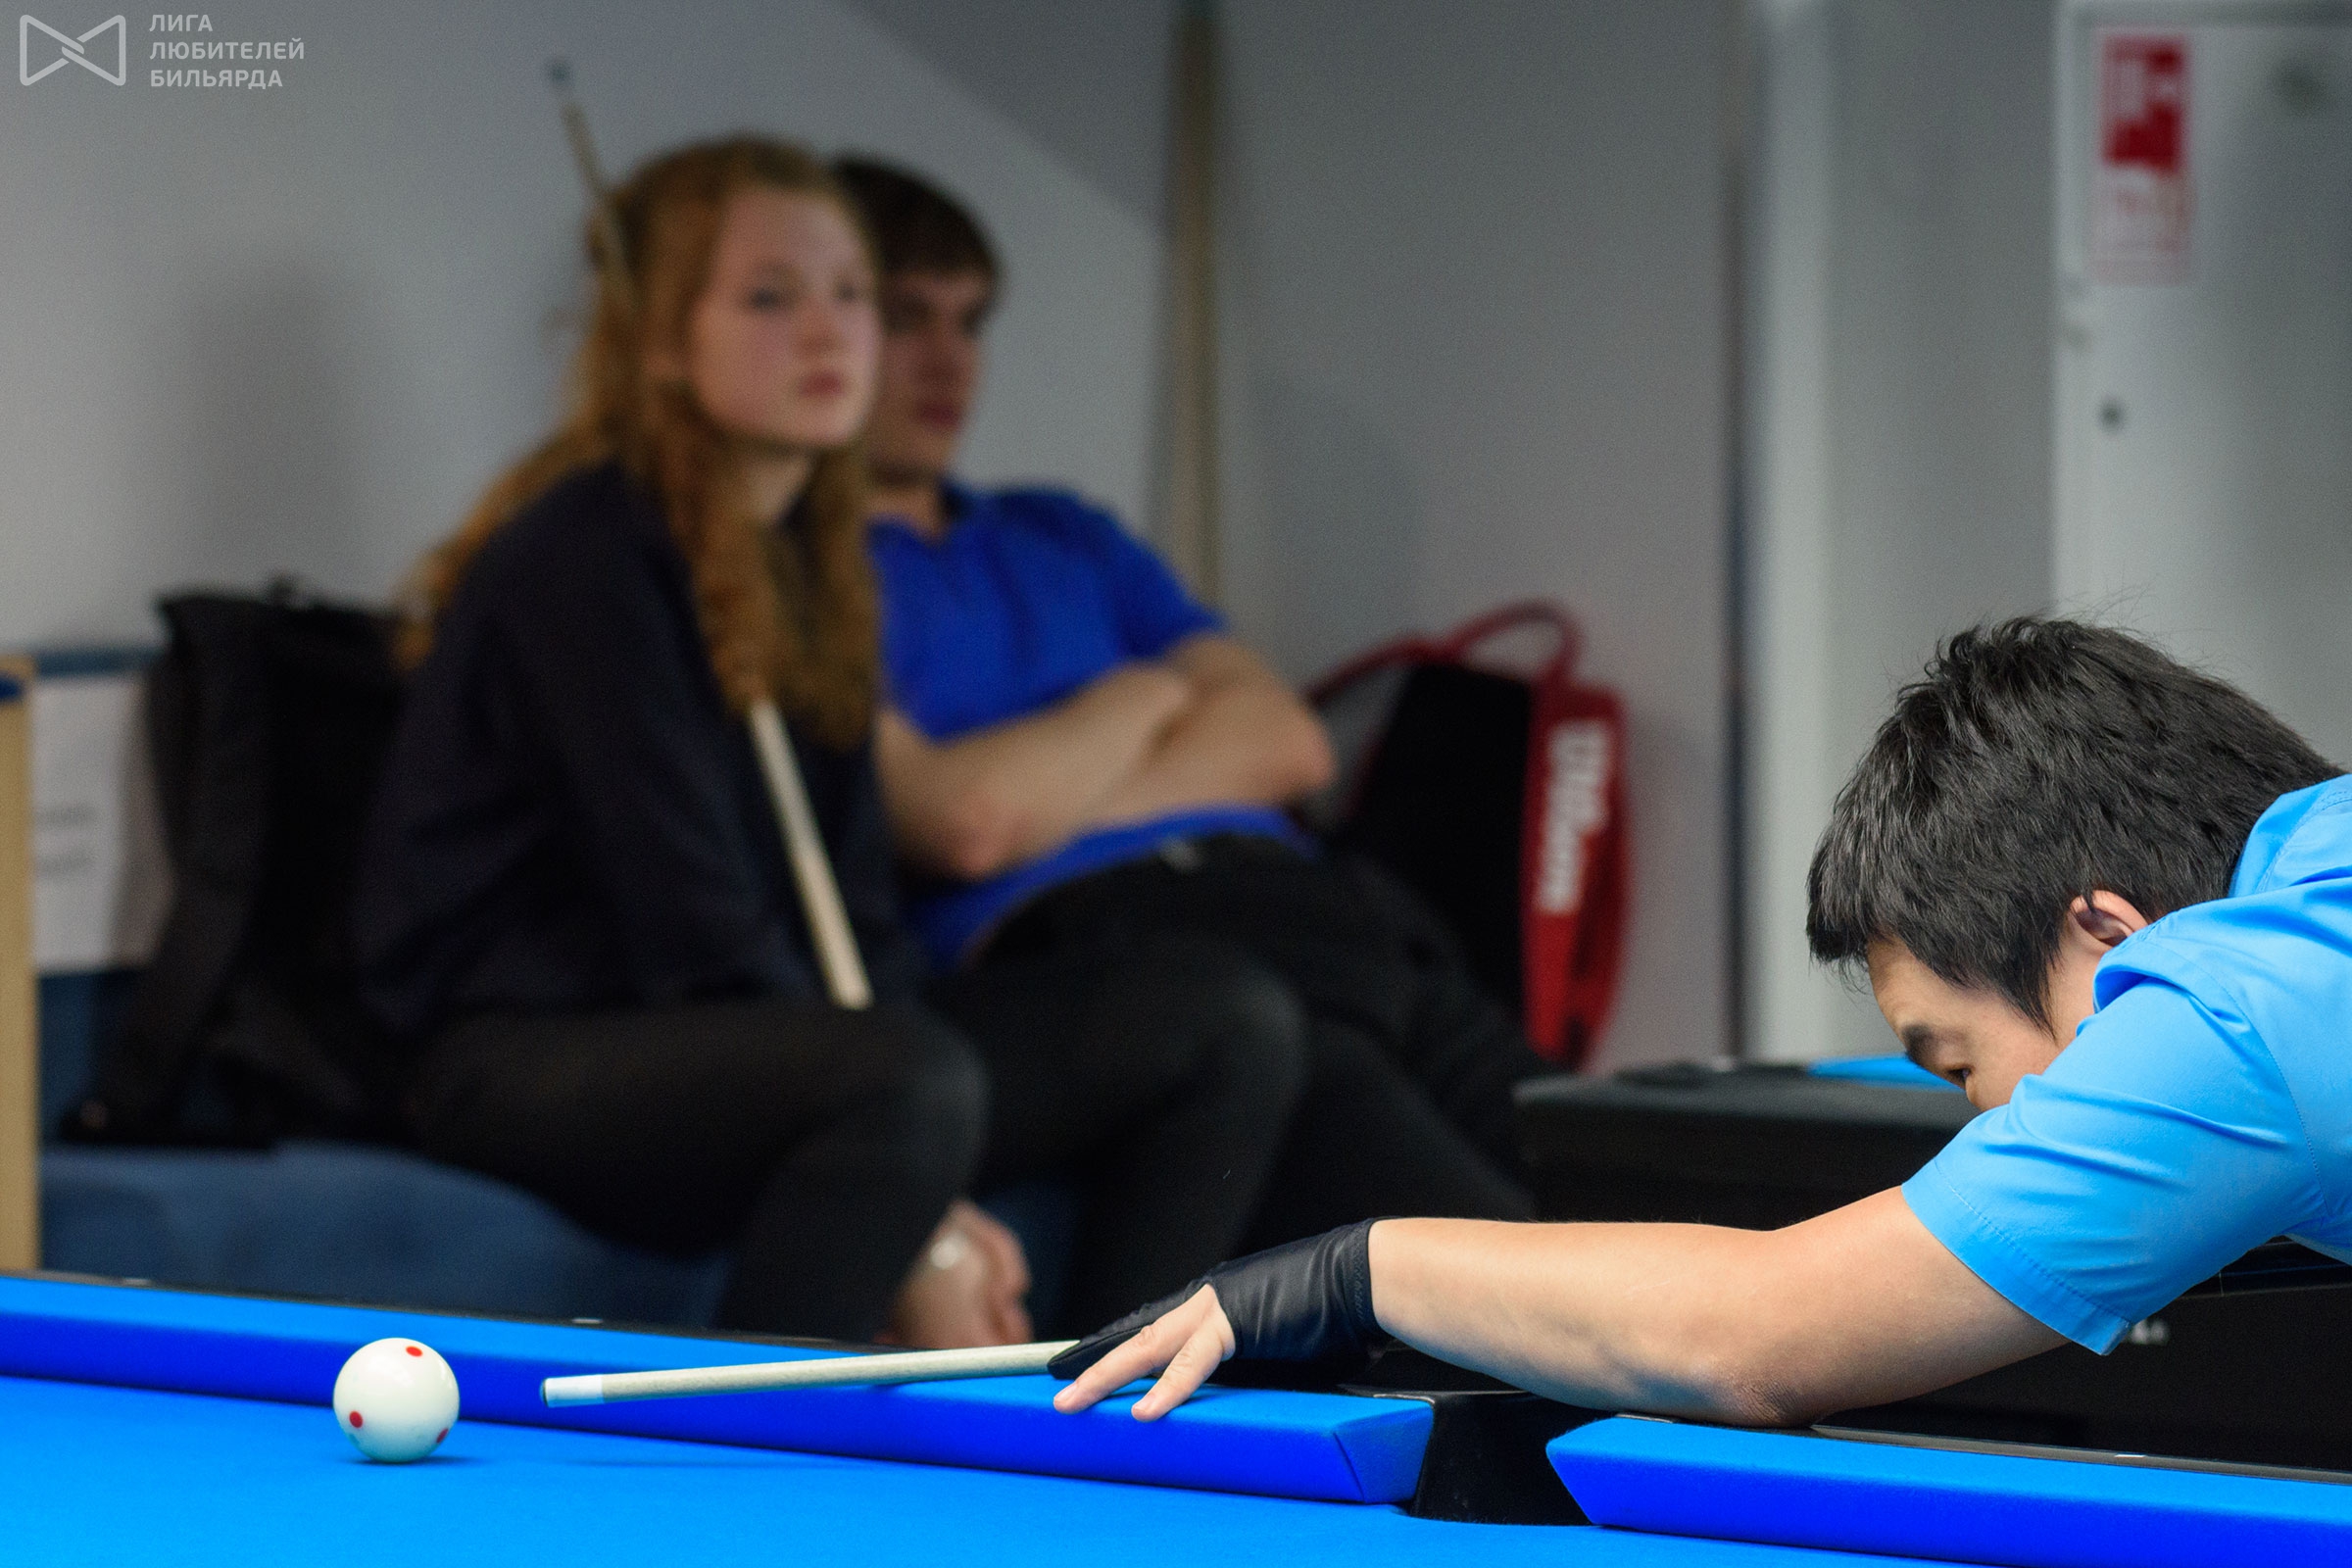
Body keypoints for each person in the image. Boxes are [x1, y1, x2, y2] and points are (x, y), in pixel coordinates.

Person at [355, 137, 1306, 1348]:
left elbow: (857, 919)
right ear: (661, 342)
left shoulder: (813, 565)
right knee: (904, 1081)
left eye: (851, 294)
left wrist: (917, 1126)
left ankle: (1108, 1409)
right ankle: (739, 1457)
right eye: (770, 297)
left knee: (1221, 1016)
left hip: (785, 1043)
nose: (827, 332)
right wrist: (926, 1213)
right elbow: (694, 933)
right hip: (523, 1050)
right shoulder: (584, 560)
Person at [1053, 618, 2352, 1424]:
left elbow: (1757, 1337)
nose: (1979, 1117)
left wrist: (1359, 1268)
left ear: (2108, 934)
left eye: (1958, 1061)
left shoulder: (2239, 1008)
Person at [835, 157, 1544, 1247]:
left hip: (1330, 911)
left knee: (1672, 1196)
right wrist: (1146, 692)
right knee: (1524, 1277)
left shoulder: (1061, 530)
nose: (950, 360)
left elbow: (1290, 744)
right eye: (906, 318)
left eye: (971, 322)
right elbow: (966, 825)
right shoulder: (804, 579)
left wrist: (1044, 787)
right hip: (1124, 950)